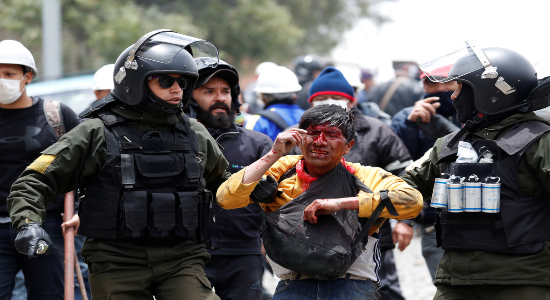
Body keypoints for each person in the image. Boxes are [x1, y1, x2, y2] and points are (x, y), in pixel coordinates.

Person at [6, 30, 229, 299]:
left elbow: (224, 183)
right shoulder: (95, 132)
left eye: (182, 81)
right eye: (165, 80)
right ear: (135, 82)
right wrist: (28, 223)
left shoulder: (194, 132)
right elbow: (33, 182)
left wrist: (260, 185)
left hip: (181, 260)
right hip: (116, 262)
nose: (177, 89)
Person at [217, 104, 423, 300]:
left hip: (353, 283)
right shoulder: (281, 170)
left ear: (349, 146)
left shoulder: (365, 176)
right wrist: (274, 153)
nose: (320, 141)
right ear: (300, 138)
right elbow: (226, 199)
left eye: (332, 135)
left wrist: (341, 204)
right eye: (313, 133)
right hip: (293, 283)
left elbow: (413, 201)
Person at [402, 41, 550, 299]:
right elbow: (405, 187)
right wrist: (354, 188)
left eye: (461, 87)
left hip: (522, 278)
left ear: (491, 93)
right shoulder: (449, 144)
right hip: (456, 279)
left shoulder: (540, 140)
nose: (454, 96)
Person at [305, 66, 414, 300]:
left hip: (371, 233)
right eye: (321, 98)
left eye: (337, 97)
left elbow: (405, 178)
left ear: (351, 100)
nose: (330, 102)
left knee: (384, 290)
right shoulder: (300, 134)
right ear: (311, 102)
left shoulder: (376, 131)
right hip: (310, 236)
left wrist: (405, 222)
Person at [0, 39, 81, 300]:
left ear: (28, 76)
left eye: (9, 74)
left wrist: (81, 211)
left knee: (49, 295)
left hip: (47, 226)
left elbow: (88, 167)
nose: (2, 80)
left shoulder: (57, 116)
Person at [187, 59, 273, 300]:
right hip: (188, 255)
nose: (220, 98)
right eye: (209, 91)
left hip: (243, 254)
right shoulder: (176, 143)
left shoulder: (258, 145)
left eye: (225, 91)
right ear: (189, 98)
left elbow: (275, 201)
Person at [390, 67, 460, 281]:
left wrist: (446, 129)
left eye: (445, 82)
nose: (439, 88)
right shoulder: (405, 116)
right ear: (423, 85)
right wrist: (410, 125)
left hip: (473, 214)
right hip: (432, 220)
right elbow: (399, 167)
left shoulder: (470, 114)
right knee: (446, 287)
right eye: (431, 82)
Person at [244, 66, 304, 141]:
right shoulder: (307, 117)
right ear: (294, 96)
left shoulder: (257, 121)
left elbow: (247, 149)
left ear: (263, 97)